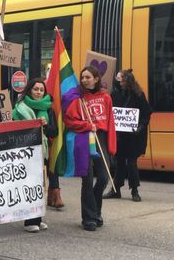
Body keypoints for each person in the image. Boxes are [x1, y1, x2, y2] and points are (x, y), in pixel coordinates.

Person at [64, 66, 116, 231]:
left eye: (88, 77)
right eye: (82, 77)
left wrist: (112, 145)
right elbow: (69, 121)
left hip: (100, 137)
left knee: (103, 178)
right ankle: (89, 218)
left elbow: (111, 122)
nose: (85, 80)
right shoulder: (78, 97)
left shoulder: (106, 97)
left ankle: (94, 209)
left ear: (96, 79)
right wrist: (87, 125)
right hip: (83, 139)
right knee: (87, 180)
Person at [12, 78, 58, 232]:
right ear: (29, 90)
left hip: (41, 153)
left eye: (41, 90)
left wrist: (45, 125)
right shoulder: (20, 107)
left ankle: (37, 219)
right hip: (25, 152)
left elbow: (54, 132)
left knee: (40, 186)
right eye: (35, 89)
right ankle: (29, 220)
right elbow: (13, 128)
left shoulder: (49, 109)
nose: (38, 92)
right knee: (29, 185)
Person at [104, 69, 151, 202]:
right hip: (119, 136)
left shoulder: (138, 94)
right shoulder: (114, 94)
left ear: (126, 81)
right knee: (118, 163)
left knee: (131, 163)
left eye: (119, 78)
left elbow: (146, 113)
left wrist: (140, 127)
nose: (117, 80)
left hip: (133, 136)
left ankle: (134, 190)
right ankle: (115, 189)